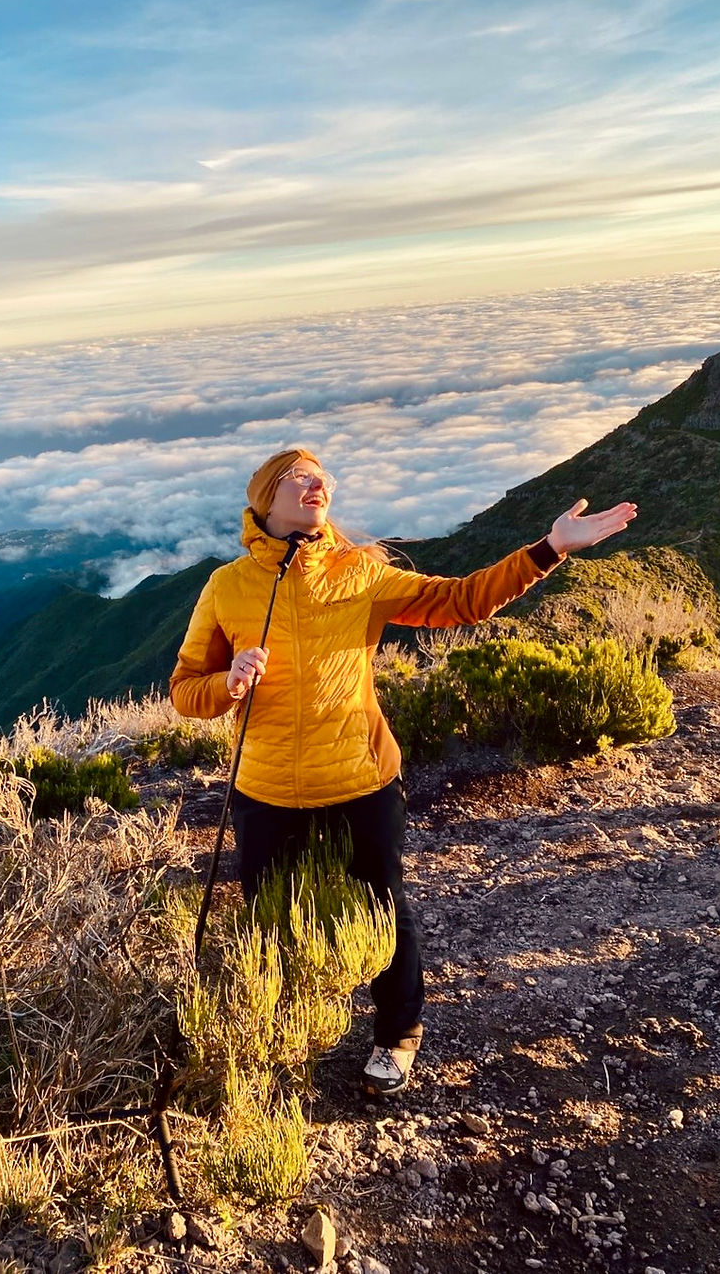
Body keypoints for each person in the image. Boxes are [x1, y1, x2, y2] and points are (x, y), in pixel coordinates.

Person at [169, 447, 637, 1096]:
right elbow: (185, 690)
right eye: (301, 476)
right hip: (266, 787)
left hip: (360, 779)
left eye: (323, 476)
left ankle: (397, 1034)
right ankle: (278, 1036)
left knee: (382, 907)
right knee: (270, 921)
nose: (319, 483)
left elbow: (461, 601)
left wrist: (548, 549)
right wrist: (227, 683)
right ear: (266, 498)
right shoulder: (228, 586)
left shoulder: (361, 572)